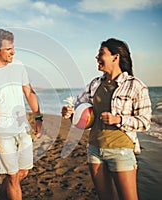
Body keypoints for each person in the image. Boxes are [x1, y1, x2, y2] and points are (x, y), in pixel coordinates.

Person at [62, 38, 152, 200]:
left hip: (121, 150)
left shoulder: (135, 85)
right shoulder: (94, 85)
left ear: (115, 57)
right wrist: (70, 113)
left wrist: (118, 120)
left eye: (101, 53)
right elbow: (81, 116)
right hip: (94, 150)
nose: (97, 57)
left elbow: (145, 122)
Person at [0, 28, 43, 200]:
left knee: (23, 172)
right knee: (13, 176)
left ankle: (0, 195)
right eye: (8, 49)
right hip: (0, 130)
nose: (13, 52)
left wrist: (38, 117)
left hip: (22, 127)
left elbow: (29, 92)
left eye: (13, 48)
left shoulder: (18, 65)